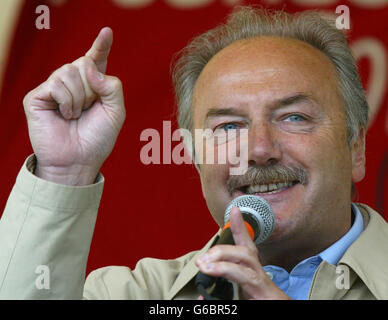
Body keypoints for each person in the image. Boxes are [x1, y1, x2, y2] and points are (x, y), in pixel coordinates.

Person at [0, 6, 387, 300]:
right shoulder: (138, 294)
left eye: (293, 117)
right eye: (229, 126)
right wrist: (64, 172)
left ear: (356, 147)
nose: (258, 149)